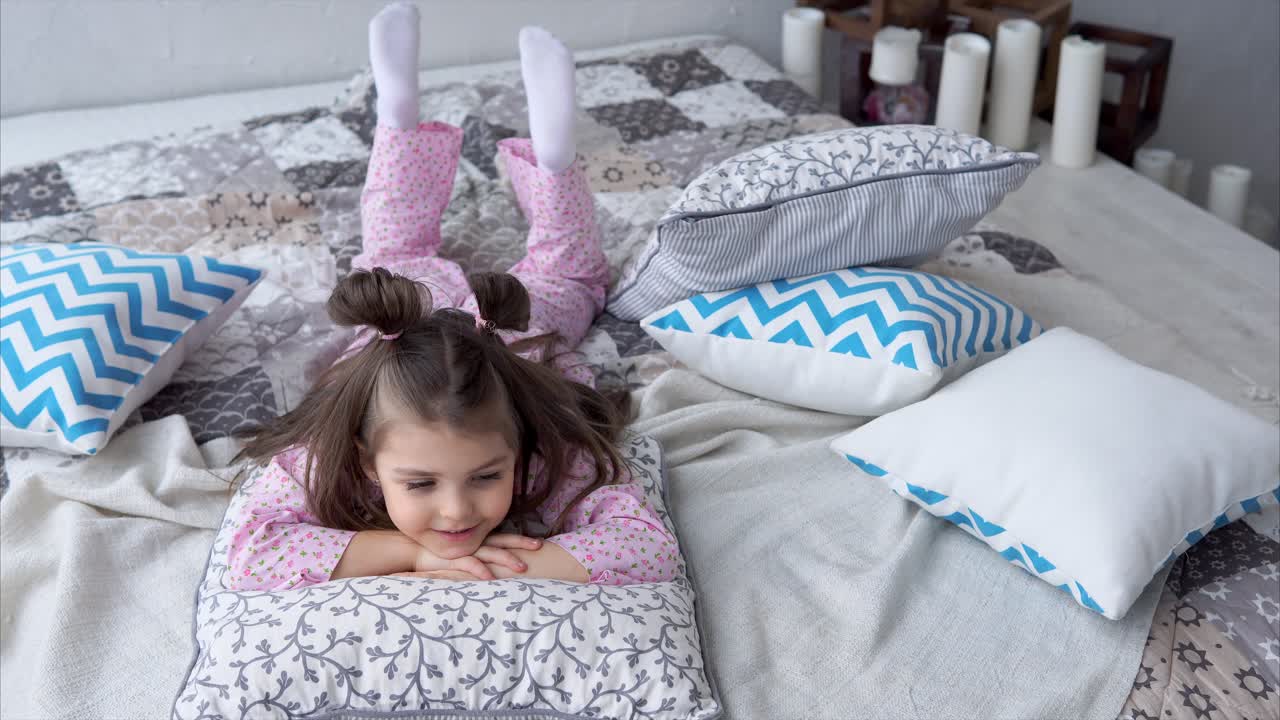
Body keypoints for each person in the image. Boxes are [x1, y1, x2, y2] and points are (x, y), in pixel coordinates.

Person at [224, 2, 678, 590]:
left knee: (434, 260)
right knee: (428, 257)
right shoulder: (330, 455)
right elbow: (250, 553)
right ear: (368, 462)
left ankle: (543, 154)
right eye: (419, 484)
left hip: (509, 328)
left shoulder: (549, 451)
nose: (458, 513)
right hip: (453, 318)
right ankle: (404, 115)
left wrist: (485, 562)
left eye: (488, 476)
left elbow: (649, 549)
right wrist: (412, 554)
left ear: (518, 447)